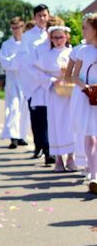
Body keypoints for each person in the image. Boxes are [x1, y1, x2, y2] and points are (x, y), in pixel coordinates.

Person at [33, 25, 75, 171]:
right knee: (56, 124)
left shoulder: (72, 53)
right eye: (55, 37)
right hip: (55, 94)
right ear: (50, 38)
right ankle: (58, 159)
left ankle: (71, 157)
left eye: (61, 37)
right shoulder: (47, 55)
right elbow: (39, 74)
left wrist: (68, 76)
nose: (58, 40)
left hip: (70, 94)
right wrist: (52, 80)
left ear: (67, 37)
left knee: (71, 124)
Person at [68, 13, 97, 192]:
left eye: (86, 27)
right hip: (87, 96)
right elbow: (72, 75)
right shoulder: (83, 51)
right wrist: (86, 87)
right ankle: (94, 175)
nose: (83, 31)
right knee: (91, 136)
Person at [20, 4, 51, 160]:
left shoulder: (53, 33)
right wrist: (38, 76)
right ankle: (39, 145)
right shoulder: (27, 36)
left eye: (45, 15)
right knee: (37, 117)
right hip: (34, 82)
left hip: (50, 81)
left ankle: (48, 149)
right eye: (39, 15)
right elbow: (26, 61)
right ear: (34, 17)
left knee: (50, 117)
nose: (42, 18)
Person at [0, 17, 31, 149]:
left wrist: (19, 61)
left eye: (18, 27)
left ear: (23, 27)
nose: (16, 30)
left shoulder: (29, 42)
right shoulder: (6, 44)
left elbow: (32, 60)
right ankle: (13, 137)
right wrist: (17, 61)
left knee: (25, 110)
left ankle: (21, 135)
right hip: (13, 80)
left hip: (27, 80)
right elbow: (4, 62)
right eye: (13, 28)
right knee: (13, 107)